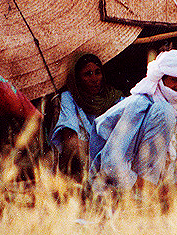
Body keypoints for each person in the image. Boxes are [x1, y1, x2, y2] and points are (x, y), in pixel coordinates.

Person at [89, 50, 177, 197]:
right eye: (175, 80)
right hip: (113, 185)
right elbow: (111, 163)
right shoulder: (140, 104)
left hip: (155, 186)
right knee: (164, 111)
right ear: (161, 79)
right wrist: (144, 185)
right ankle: (146, 195)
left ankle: (170, 186)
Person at [50, 53, 125, 181]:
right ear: (77, 78)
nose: (95, 79)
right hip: (82, 157)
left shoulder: (114, 97)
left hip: (111, 156)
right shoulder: (69, 97)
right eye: (87, 74)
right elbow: (69, 136)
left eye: (97, 72)